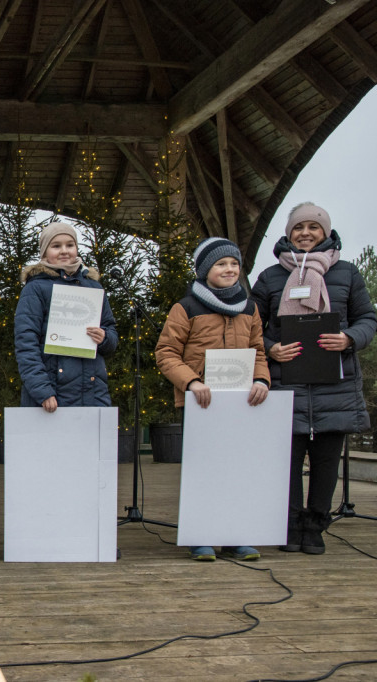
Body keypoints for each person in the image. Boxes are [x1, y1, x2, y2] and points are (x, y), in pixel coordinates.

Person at [251, 202, 376, 555]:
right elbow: (252, 326)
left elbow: (368, 318)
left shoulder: (348, 273)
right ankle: (290, 527)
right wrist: (271, 347)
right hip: (285, 382)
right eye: (298, 228)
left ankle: (315, 527)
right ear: (288, 234)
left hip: (334, 384)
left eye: (313, 227)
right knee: (287, 461)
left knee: (325, 462)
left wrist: (349, 338)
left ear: (326, 232)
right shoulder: (270, 277)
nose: (305, 233)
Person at [156, 237, 271, 562]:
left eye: (234, 263)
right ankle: (201, 536)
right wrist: (191, 382)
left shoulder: (249, 308)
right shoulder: (187, 307)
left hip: (240, 404)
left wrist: (262, 378)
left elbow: (259, 351)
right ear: (205, 270)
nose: (230, 269)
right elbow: (166, 353)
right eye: (221, 264)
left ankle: (235, 536)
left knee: (236, 470)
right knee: (202, 471)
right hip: (201, 404)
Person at [14, 221, 118, 412]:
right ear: (45, 252)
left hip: (93, 393)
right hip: (51, 395)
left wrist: (104, 338)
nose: (64, 250)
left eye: (70, 245)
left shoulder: (94, 287)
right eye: (56, 246)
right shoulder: (35, 288)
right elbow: (26, 344)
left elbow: (111, 333)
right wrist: (42, 390)